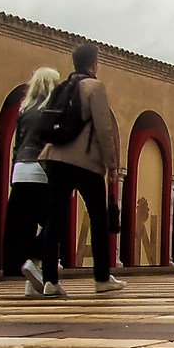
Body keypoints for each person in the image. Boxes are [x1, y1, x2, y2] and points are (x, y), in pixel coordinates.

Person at [39, 43, 125, 294]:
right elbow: (104, 129)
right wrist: (112, 165)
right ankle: (101, 278)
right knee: (98, 219)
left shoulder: (63, 86)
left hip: (56, 158)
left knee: (54, 219)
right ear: (94, 64)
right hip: (86, 163)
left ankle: (50, 281)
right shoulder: (94, 87)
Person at [6, 67, 64, 297]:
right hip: (41, 171)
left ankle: (32, 284)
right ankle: (37, 260)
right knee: (53, 224)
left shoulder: (24, 111)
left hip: (20, 171)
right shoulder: (53, 111)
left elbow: (16, 146)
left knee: (27, 226)